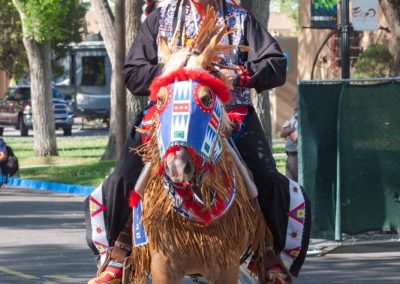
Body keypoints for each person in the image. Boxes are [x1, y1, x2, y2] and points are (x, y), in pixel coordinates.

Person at [85, 1, 310, 283]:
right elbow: (132, 73)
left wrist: (236, 74)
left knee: (266, 176)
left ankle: (268, 254)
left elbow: (276, 64)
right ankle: (119, 254)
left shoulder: (240, 19)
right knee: (122, 177)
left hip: (228, 115)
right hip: (167, 116)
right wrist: (168, 70)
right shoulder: (160, 18)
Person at [281, 97, 298, 181]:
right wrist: (291, 129)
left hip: (296, 156)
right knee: (290, 183)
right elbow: (282, 132)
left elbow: (296, 138)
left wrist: (288, 131)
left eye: (294, 99)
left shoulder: (301, 117)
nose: (292, 101)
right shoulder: (294, 115)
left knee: (294, 184)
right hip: (290, 155)